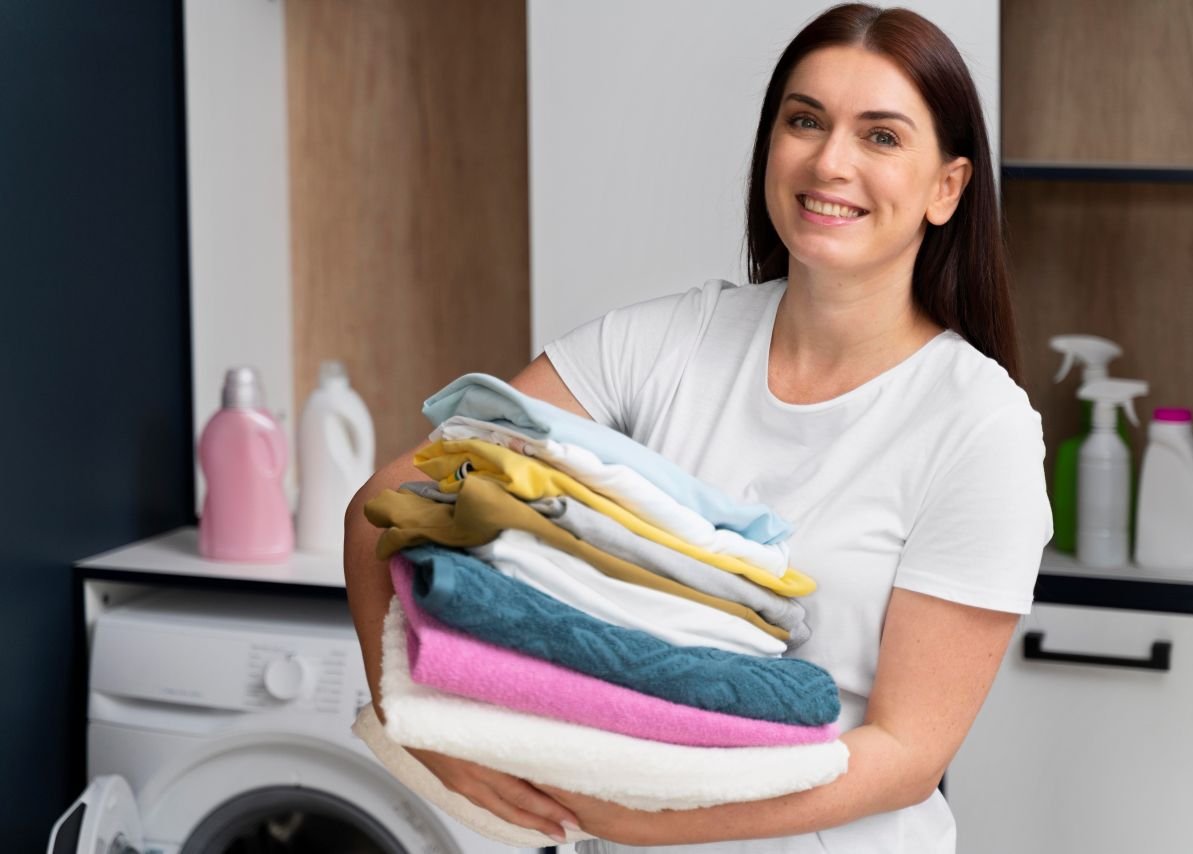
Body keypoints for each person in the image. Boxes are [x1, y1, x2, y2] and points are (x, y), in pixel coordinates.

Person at [343, 3, 1052, 852]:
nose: (831, 161)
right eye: (805, 121)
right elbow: (387, 501)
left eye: (882, 137)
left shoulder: (979, 427)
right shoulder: (660, 344)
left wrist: (658, 820)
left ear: (948, 188)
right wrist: (415, 714)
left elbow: (906, 753)